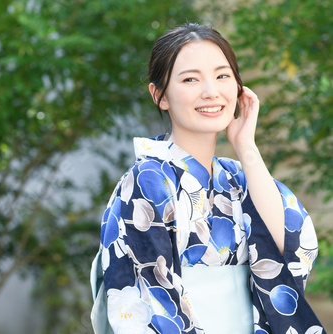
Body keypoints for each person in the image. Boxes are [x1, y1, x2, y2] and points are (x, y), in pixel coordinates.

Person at [90, 23, 325, 334]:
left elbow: (289, 249)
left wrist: (246, 147)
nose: (211, 91)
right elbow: (150, 302)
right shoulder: (148, 180)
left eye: (222, 75)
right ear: (160, 96)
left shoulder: (239, 176)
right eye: (190, 79)